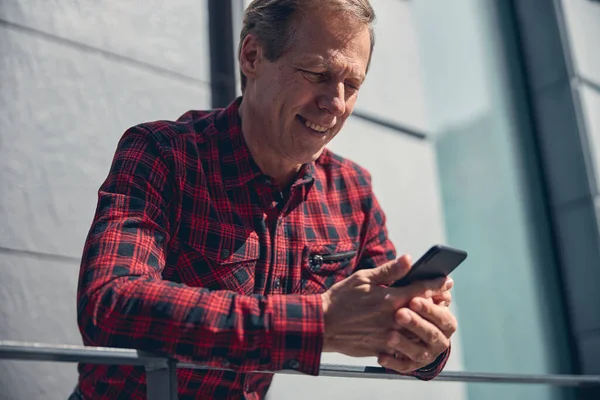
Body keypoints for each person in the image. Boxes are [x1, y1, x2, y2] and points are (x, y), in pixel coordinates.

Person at [71, 0, 457, 398]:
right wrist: (317, 322)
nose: (336, 104)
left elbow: (395, 325)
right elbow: (109, 303)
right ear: (252, 56)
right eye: (318, 73)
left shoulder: (352, 191)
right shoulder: (163, 153)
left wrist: (425, 338)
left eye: (352, 85)